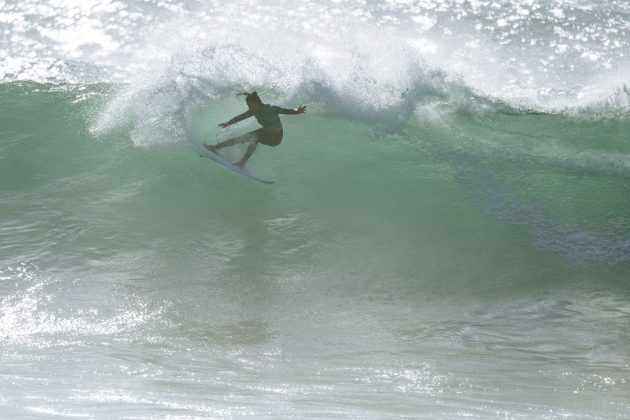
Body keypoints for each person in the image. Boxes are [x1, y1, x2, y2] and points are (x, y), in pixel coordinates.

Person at [204, 92, 306, 167]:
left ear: (257, 103)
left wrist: (297, 111)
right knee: (239, 139)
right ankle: (215, 147)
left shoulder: (270, 108)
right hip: (265, 132)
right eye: (248, 106)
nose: (249, 107)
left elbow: (286, 111)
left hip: (275, 137)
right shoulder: (253, 111)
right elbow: (241, 117)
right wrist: (228, 123)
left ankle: (242, 163)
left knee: (254, 138)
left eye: (250, 105)